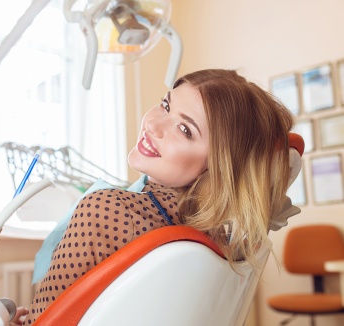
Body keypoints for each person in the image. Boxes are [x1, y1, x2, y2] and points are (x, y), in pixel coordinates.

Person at [18, 69, 294, 325]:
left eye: (185, 129)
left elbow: (43, 322)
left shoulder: (105, 210)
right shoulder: (216, 242)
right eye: (166, 105)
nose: (154, 125)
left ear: (218, 168)